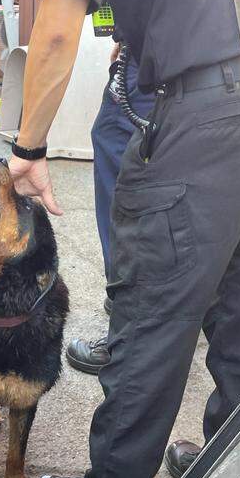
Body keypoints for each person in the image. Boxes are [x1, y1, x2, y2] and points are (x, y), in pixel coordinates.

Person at [8, 0, 240, 478]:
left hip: (202, 112)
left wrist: (28, 149)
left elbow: (56, 28)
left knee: (152, 305)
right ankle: (228, 471)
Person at [64, 42, 155, 375]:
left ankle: (128, 331)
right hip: (231, 59)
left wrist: (28, 148)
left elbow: (58, 34)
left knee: (127, 171)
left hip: (155, 61)